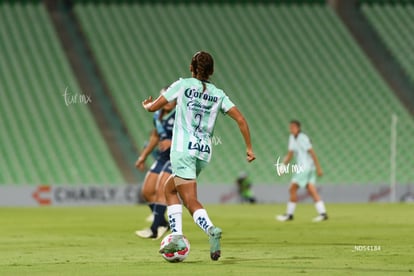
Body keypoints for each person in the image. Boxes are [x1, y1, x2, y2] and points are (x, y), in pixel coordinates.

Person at [142, 51, 256, 261]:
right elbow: (241, 119)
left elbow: (154, 107)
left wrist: (147, 105)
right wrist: (248, 148)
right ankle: (176, 235)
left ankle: (210, 230)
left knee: (190, 199)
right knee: (169, 189)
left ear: (191, 68)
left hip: (183, 150)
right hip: (203, 152)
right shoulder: (218, 94)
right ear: (211, 71)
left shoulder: (182, 84)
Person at [135, 87, 176, 239]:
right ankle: (163, 222)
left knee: (161, 190)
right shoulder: (157, 115)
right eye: (165, 97)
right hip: (163, 157)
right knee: (147, 191)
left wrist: (172, 142)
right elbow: (155, 136)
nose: (167, 101)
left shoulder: (180, 114)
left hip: (176, 157)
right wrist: (143, 157)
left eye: (171, 98)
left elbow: (191, 134)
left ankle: (154, 229)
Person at [276, 120, 328, 222]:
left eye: (293, 127)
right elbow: (290, 154)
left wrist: (319, 168)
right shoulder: (292, 138)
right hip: (307, 167)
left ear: (298, 128)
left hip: (305, 167)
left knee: (292, 188)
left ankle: (289, 215)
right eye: (290, 127)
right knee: (311, 190)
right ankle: (323, 213)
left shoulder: (303, 138)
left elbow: (312, 152)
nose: (291, 129)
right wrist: (282, 165)